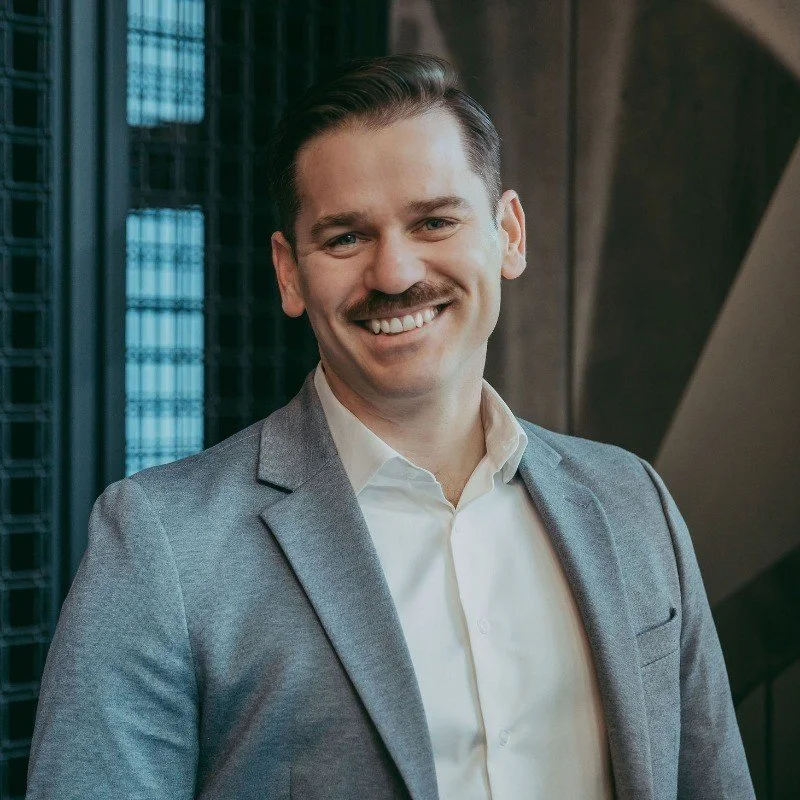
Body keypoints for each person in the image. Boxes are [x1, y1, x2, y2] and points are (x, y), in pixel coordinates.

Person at [26, 55, 754, 800]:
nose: (396, 273)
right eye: (345, 238)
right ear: (288, 272)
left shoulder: (632, 500)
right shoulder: (165, 546)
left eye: (435, 221)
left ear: (508, 234)